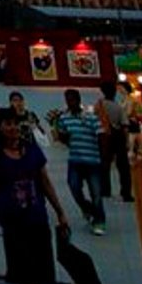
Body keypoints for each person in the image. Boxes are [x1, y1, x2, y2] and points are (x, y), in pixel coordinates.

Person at [0, 107, 73, 284]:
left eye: (14, 123)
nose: (11, 128)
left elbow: (45, 181)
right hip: (12, 218)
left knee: (40, 271)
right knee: (26, 272)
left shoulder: (32, 150)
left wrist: (60, 211)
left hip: (37, 215)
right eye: (6, 124)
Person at [56, 88, 106, 233]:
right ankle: (87, 207)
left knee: (96, 193)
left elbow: (101, 136)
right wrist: (60, 131)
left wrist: (103, 158)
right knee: (74, 187)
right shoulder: (64, 118)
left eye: (72, 99)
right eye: (67, 100)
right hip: (75, 160)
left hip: (92, 160)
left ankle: (99, 221)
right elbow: (64, 138)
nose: (69, 103)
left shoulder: (90, 117)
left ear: (78, 100)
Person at [97, 81, 131, 199]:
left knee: (104, 165)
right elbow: (125, 126)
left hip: (104, 137)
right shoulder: (118, 107)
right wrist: (127, 142)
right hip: (118, 136)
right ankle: (126, 192)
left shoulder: (99, 105)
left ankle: (105, 190)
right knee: (123, 167)